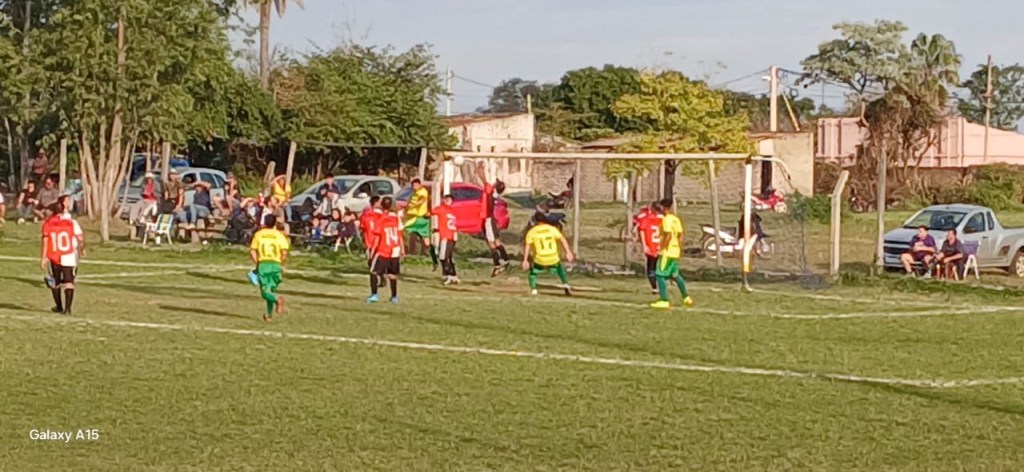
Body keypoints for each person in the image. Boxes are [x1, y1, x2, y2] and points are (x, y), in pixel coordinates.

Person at [40, 201, 84, 316]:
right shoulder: (71, 222)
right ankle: (68, 309)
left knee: (55, 282)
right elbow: (80, 238)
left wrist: (43, 258)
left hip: (54, 255)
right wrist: (82, 249)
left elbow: (46, 241)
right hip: (68, 254)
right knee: (69, 282)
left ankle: (59, 306)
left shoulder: (48, 223)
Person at [650, 198, 694, 309]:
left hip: (668, 252)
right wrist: (679, 247)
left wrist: (662, 248)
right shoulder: (676, 219)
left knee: (659, 274)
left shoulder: (667, 219)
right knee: (675, 275)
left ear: (664, 207)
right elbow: (681, 235)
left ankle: (664, 300)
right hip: (675, 251)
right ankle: (686, 297)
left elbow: (668, 235)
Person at [522, 212, 574, 296]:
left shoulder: (532, 231)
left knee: (533, 273)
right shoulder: (552, 229)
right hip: (553, 258)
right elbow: (562, 239)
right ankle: (565, 285)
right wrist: (568, 252)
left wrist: (525, 260)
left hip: (540, 259)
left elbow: (527, 246)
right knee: (560, 270)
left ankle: (534, 289)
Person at [249, 214, 289, 322]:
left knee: (265, 293)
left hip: (264, 264)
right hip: (276, 264)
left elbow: (252, 250)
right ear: (275, 223)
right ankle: (269, 315)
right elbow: (284, 252)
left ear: (264, 222)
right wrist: (281, 263)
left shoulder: (259, 234)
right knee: (270, 290)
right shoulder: (279, 235)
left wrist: (257, 262)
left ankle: (278, 300)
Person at [476, 161, 510, 277]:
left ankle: (497, 264)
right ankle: (505, 260)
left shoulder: (490, 191)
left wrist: (480, 170)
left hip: (488, 219)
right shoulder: (493, 193)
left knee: (491, 242)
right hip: (491, 219)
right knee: (496, 241)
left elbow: (484, 181)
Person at [368, 197, 403, 304]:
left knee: (373, 272)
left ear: (382, 206)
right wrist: (402, 249)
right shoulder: (396, 219)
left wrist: (372, 251)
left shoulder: (382, 219)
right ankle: (394, 297)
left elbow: (377, 237)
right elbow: (400, 235)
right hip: (395, 250)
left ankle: (374, 295)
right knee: (392, 275)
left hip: (383, 250)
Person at [405, 179, 437, 270]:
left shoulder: (422, 192)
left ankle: (429, 254)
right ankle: (414, 253)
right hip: (414, 218)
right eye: (413, 185)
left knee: (424, 238)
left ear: (419, 185)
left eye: (416, 185)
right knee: (412, 235)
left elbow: (422, 199)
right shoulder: (414, 193)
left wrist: (415, 204)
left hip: (420, 218)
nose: (414, 187)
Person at [636, 201, 664, 294]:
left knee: (651, 268)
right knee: (657, 266)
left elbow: (642, 230)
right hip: (658, 244)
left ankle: (655, 287)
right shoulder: (662, 218)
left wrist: (644, 245)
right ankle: (659, 285)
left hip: (651, 245)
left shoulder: (646, 218)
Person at [433, 194, 460, 285]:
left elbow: (431, 212)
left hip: (446, 236)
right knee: (449, 257)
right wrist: (438, 229)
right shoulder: (453, 211)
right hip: (453, 235)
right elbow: (447, 223)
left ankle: (448, 275)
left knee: (443, 257)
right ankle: (454, 275)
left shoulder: (442, 208)